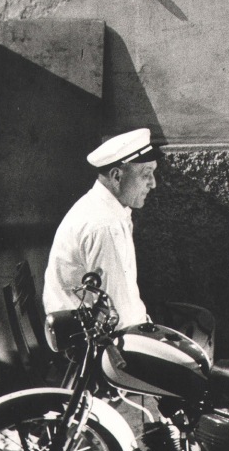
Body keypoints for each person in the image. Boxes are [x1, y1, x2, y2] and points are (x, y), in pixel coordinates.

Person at [44, 128, 157, 328]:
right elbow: (117, 315)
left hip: (91, 330)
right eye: (146, 174)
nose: (153, 184)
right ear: (116, 176)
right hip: (92, 342)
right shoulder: (105, 226)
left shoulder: (108, 209)